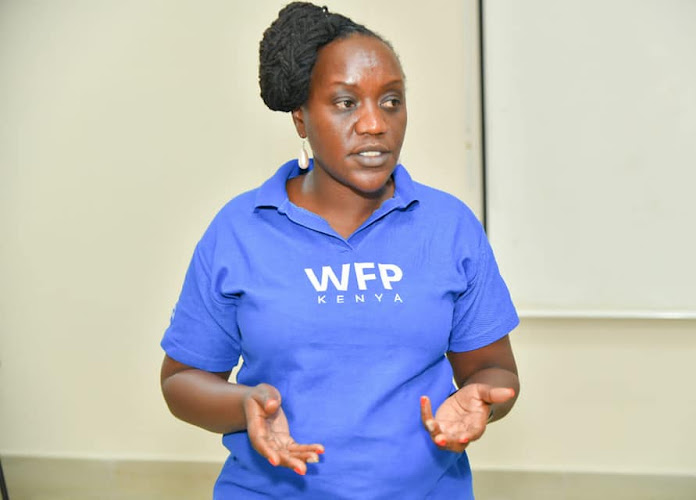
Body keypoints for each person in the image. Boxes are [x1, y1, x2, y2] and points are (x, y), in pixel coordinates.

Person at [160, 2, 520, 498]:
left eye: (391, 100)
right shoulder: (240, 230)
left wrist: (483, 400)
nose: (375, 124)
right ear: (301, 119)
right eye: (346, 102)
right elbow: (182, 381)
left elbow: (493, 370)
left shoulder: (448, 226)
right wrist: (243, 403)